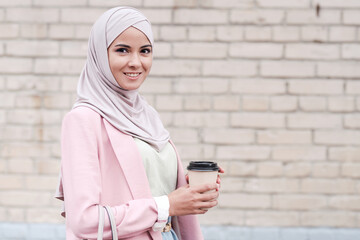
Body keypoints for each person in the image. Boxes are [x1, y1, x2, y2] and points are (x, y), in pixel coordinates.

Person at [55, 6, 223, 240]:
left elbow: (149, 190)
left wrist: (190, 192)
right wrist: (166, 205)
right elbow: (84, 221)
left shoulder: (147, 116)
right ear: (100, 55)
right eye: (122, 50)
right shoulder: (83, 120)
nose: (136, 62)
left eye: (145, 51)